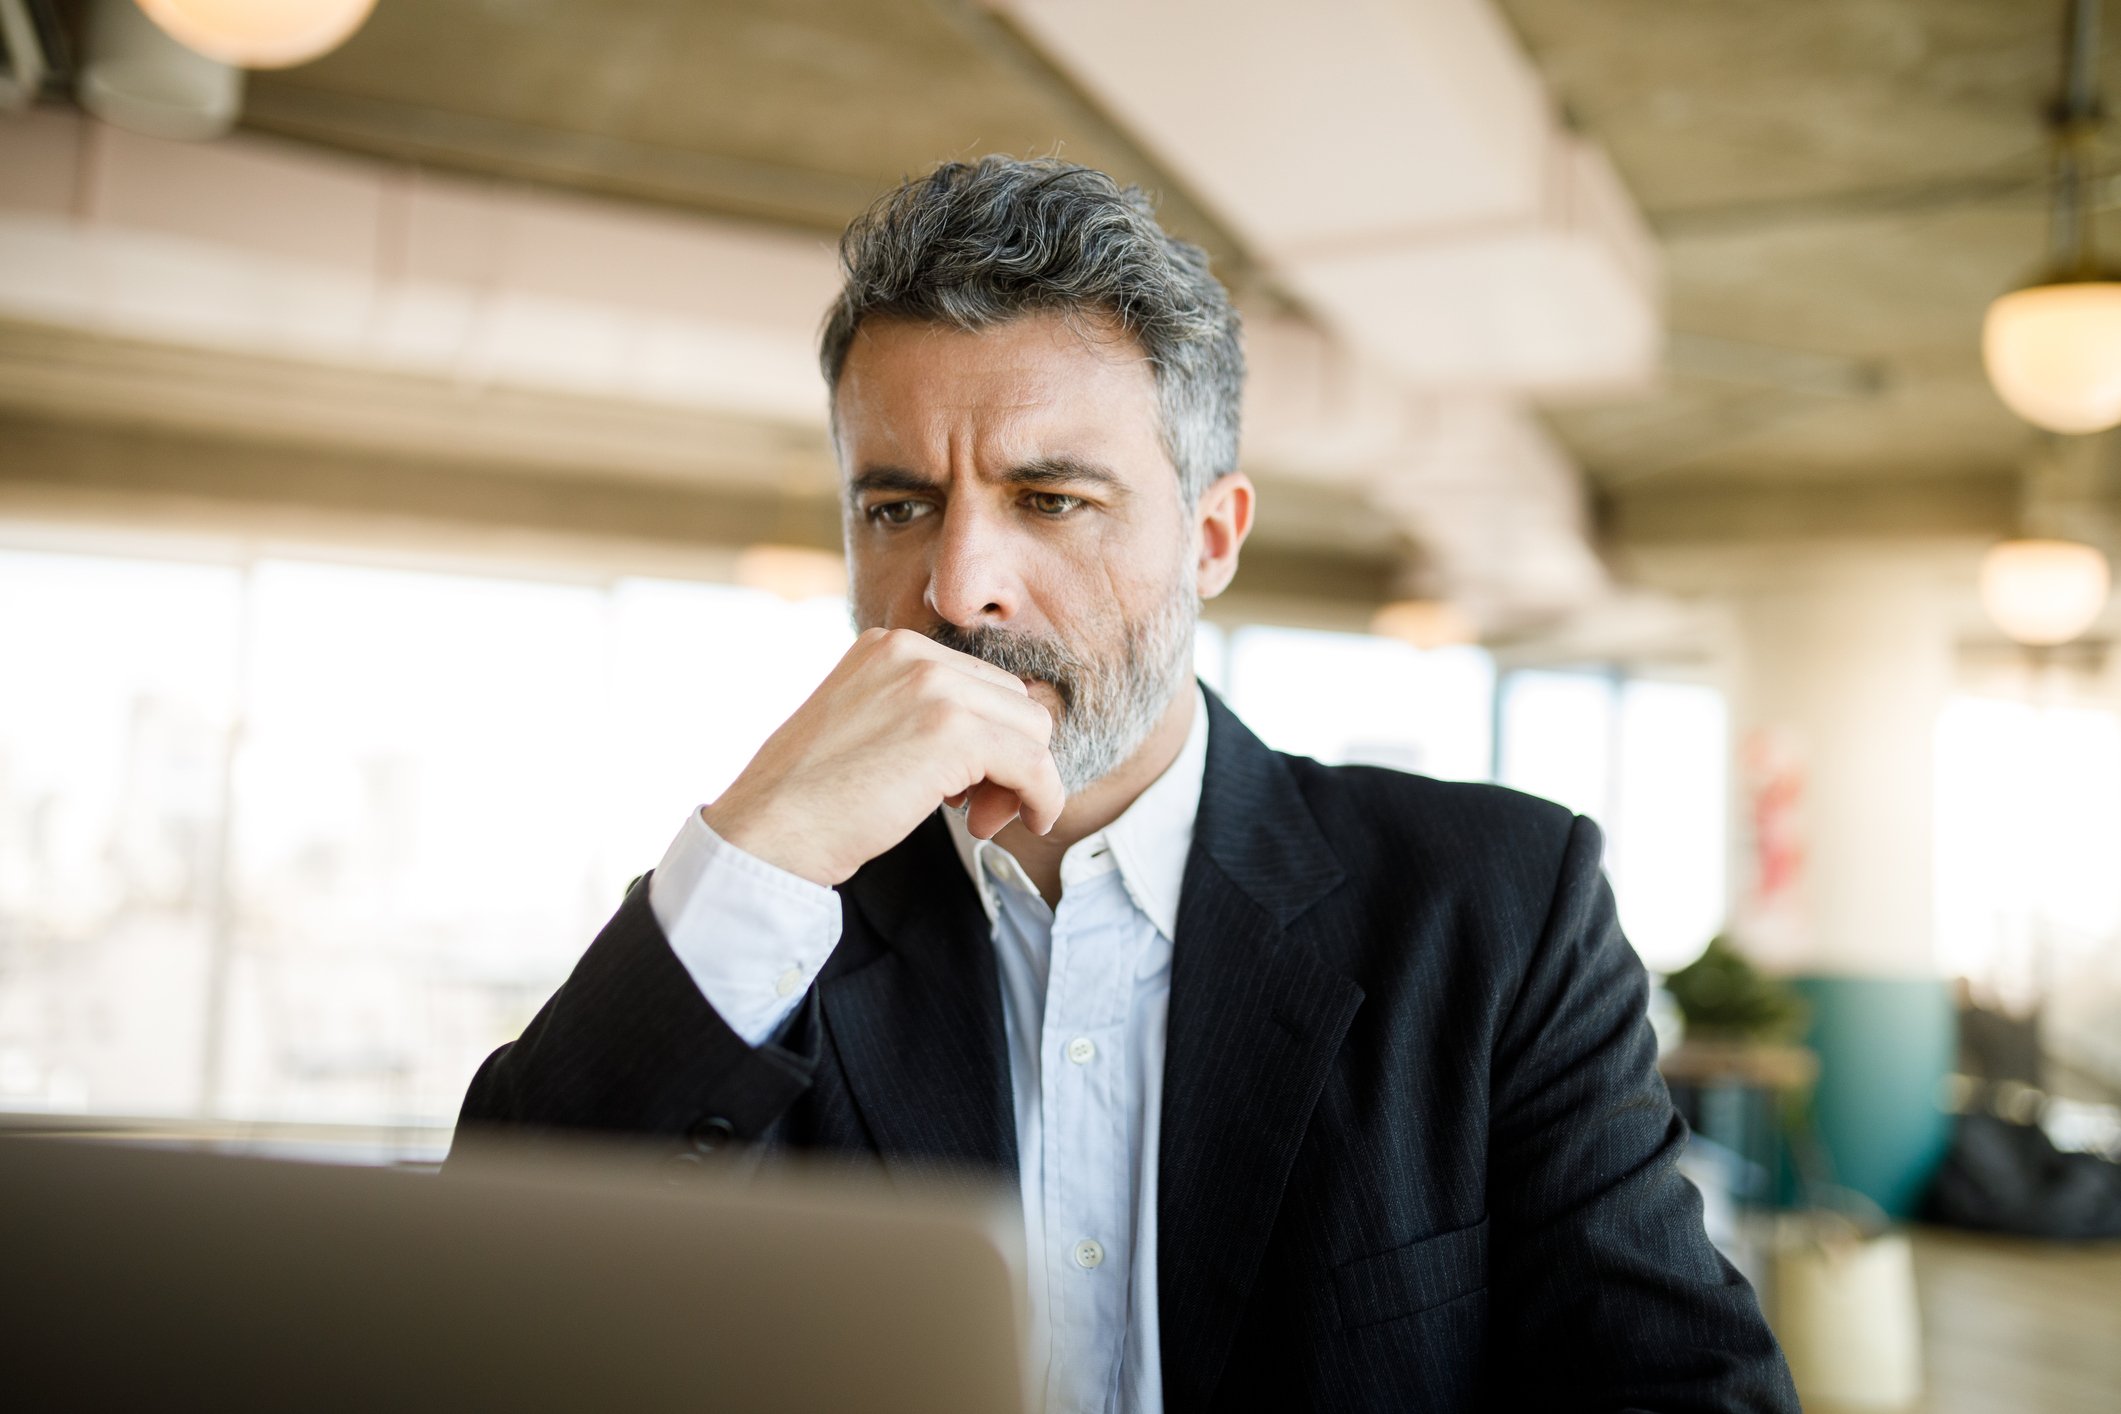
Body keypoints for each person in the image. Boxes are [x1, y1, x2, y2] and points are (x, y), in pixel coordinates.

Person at [450, 156, 1798, 1413]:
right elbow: (482, 1309)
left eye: (1050, 499)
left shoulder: (1493, 909)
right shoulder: (764, 922)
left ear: (1209, 538)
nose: (959, 583)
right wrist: (763, 841)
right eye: (898, 504)